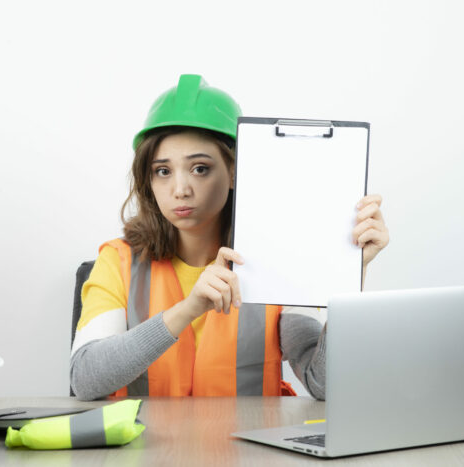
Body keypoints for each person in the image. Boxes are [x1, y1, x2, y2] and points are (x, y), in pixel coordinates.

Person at [70, 74, 389, 401]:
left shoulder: (280, 260)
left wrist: (351, 272)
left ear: (235, 170)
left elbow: (323, 383)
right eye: (162, 171)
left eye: (200, 168)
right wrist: (188, 309)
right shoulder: (119, 260)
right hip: (144, 449)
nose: (180, 189)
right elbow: (85, 380)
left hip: (249, 449)